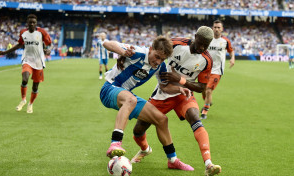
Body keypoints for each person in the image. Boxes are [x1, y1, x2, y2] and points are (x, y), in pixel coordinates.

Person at [130, 26, 221, 176]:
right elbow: (153, 51)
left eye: (207, 45)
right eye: (201, 43)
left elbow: (202, 88)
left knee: (195, 118)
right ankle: (145, 149)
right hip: (162, 93)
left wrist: (180, 80)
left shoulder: (206, 60)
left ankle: (208, 164)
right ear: (195, 36)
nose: (203, 47)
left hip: (183, 94)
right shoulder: (176, 44)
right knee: (138, 130)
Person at [100, 36, 194, 171]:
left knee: (161, 119)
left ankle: (172, 160)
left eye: (162, 59)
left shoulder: (160, 66)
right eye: (156, 56)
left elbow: (164, 87)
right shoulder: (138, 53)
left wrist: (179, 88)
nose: (158, 61)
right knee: (130, 99)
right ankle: (115, 143)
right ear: (151, 49)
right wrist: (122, 51)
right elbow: (107, 43)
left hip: (127, 96)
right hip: (109, 89)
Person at [0, 14, 52, 113]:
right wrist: (5, 52)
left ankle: (30, 104)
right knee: (25, 79)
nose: (31, 24)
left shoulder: (41, 32)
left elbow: (49, 44)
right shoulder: (23, 32)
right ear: (27, 23)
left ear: (36, 23)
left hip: (39, 62)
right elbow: (19, 45)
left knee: (35, 86)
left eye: (33, 22)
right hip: (27, 60)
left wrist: (48, 50)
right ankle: (23, 100)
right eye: (30, 22)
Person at [201, 20, 235, 119]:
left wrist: (232, 58)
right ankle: (208, 101)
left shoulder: (225, 41)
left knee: (208, 90)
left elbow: (231, 51)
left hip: (217, 71)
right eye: (215, 27)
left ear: (222, 29)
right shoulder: (207, 39)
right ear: (212, 28)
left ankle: (204, 112)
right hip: (205, 69)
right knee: (203, 89)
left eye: (218, 27)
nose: (216, 29)